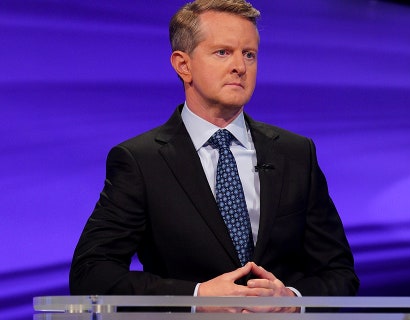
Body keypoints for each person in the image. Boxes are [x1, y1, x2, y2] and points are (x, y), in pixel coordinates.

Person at [69, 0, 359, 313]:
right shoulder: (141, 161)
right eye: (223, 52)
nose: (240, 66)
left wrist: (292, 300)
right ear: (183, 65)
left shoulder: (296, 153)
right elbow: (91, 273)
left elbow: (339, 274)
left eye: (249, 54)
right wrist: (195, 297)